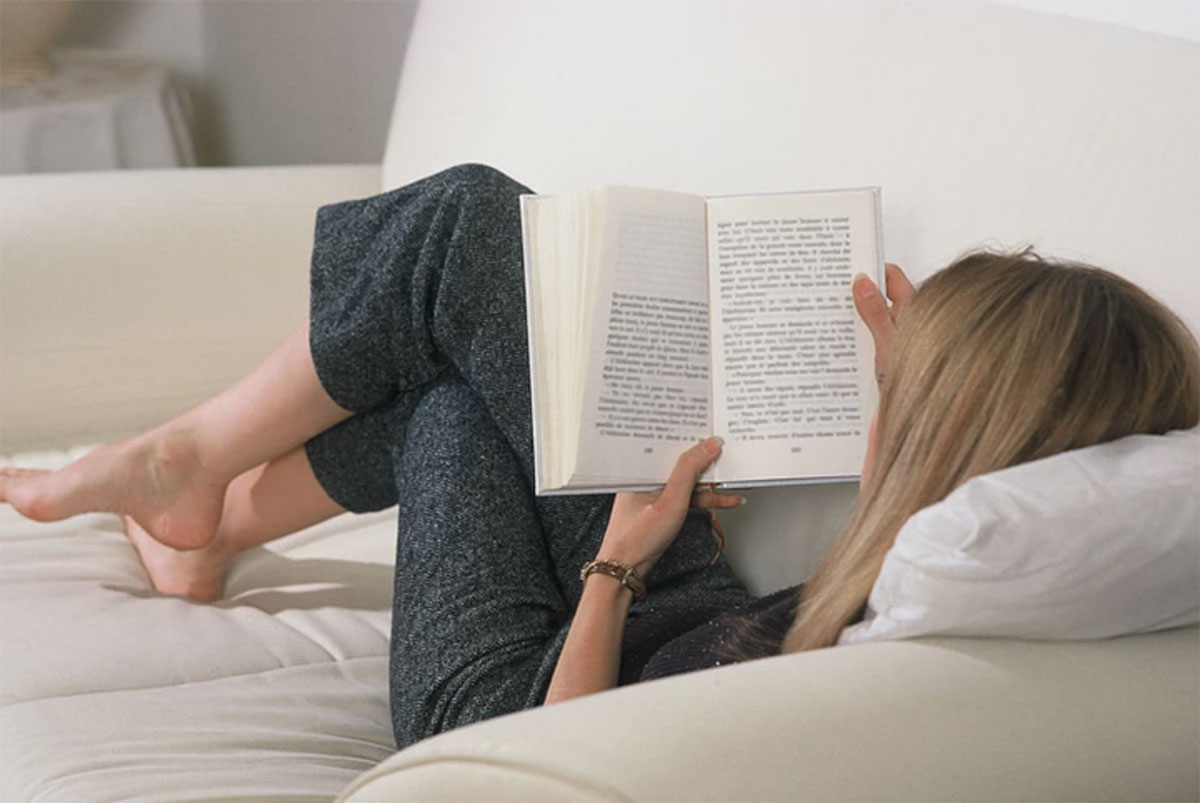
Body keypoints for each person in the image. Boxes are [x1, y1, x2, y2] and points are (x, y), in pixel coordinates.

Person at [1, 164, 1197, 750]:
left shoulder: (924, 597)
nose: (880, 380)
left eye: (906, 382)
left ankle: (191, 468)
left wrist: (617, 568)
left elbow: (580, 743)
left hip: (521, 702)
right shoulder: (958, 553)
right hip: (671, 611)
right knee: (483, 337)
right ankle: (200, 518)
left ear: (954, 433)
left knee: (471, 247)